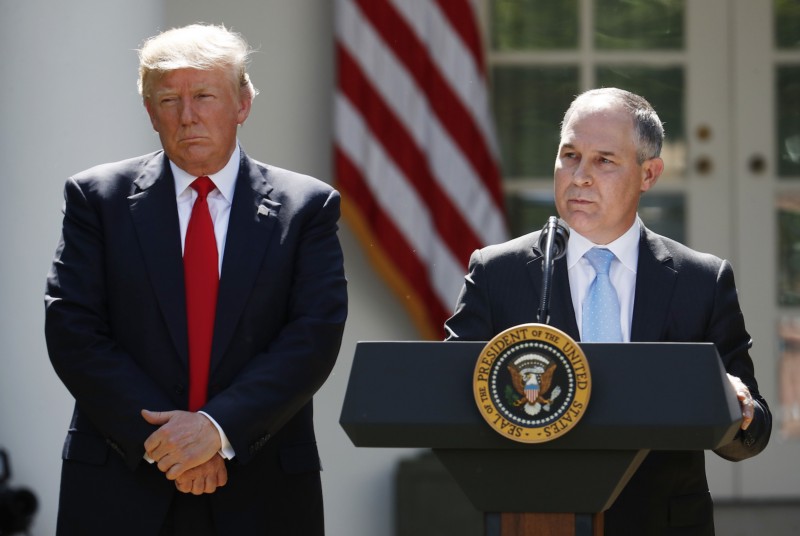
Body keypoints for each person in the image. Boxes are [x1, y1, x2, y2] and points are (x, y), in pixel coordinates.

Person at [44, 24, 347, 535]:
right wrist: (170, 445)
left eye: (204, 95)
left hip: (261, 490)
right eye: (169, 99)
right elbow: (73, 331)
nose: (188, 116)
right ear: (149, 111)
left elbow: (311, 337)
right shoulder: (97, 199)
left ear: (243, 102)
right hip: (122, 486)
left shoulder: (307, 207)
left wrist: (215, 428)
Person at [445, 87, 771, 535]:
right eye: (570, 155)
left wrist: (739, 408)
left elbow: (749, 436)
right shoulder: (498, 272)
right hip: (535, 518)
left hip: (663, 522)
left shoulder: (700, 281)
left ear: (649, 173)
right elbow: (447, 400)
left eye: (604, 160)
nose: (579, 176)